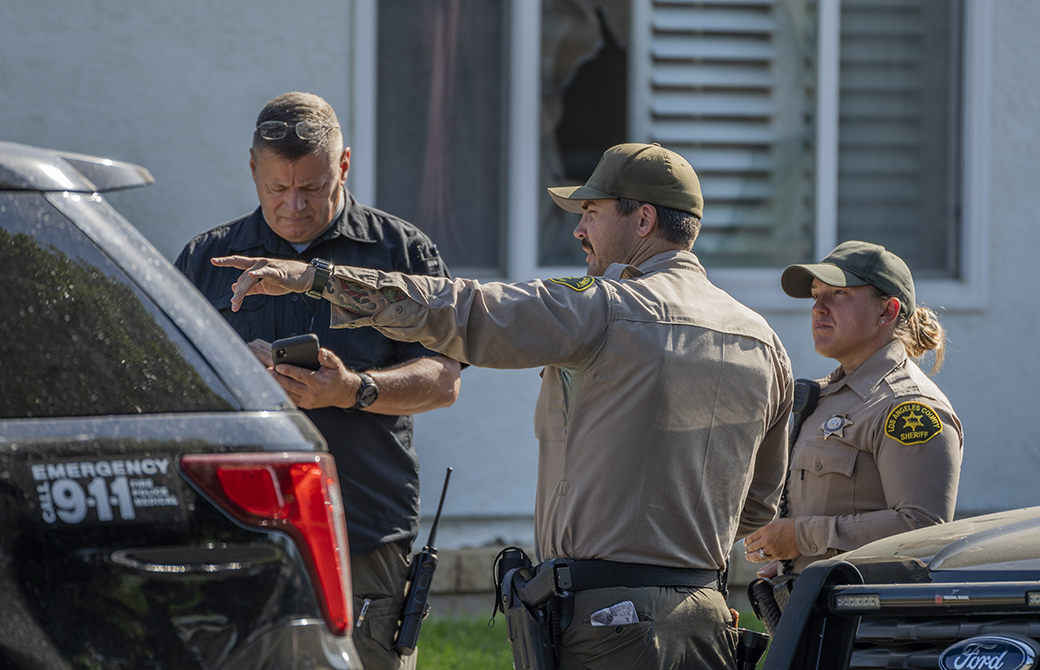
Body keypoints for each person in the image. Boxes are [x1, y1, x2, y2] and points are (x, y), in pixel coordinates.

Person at [213, 142, 793, 670]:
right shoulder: (764, 341)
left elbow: (460, 309)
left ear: (642, 219)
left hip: (608, 624)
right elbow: (759, 506)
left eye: (592, 213)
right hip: (706, 620)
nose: (579, 231)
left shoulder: (606, 308)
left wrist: (317, 279)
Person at [174, 92, 461, 670]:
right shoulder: (208, 260)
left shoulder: (400, 252)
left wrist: (352, 389)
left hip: (361, 528)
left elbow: (443, 380)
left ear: (345, 166)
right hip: (239, 531)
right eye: (277, 189)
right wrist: (231, 370)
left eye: (312, 187)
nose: (295, 206)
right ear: (252, 168)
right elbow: (164, 388)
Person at [743, 241, 963, 580]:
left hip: (871, 627)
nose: (819, 308)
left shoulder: (908, 407)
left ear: (887, 312)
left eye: (838, 295)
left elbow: (922, 528)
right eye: (816, 295)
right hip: (820, 613)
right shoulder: (829, 395)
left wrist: (800, 538)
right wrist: (792, 562)